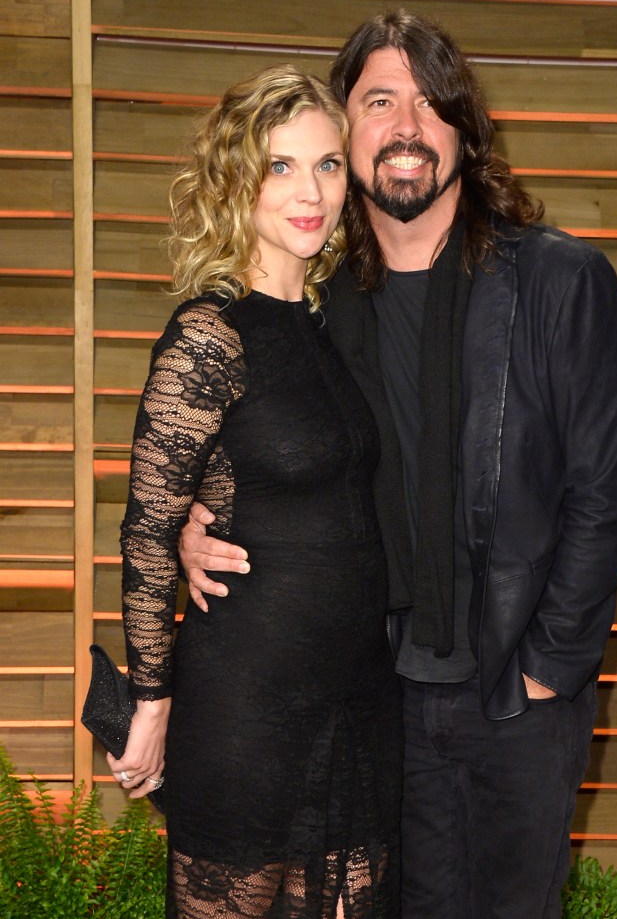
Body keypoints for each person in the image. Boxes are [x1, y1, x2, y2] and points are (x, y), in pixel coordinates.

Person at [179, 11, 617, 919]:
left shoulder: (559, 282)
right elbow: (276, 454)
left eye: (433, 105)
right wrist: (204, 518)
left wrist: (549, 666)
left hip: (518, 692)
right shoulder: (315, 301)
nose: (406, 125)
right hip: (372, 689)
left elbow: (605, 495)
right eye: (379, 100)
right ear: (341, 133)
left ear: (465, 133)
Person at [106, 64, 402, 919]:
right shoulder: (208, 334)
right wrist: (151, 704)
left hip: (352, 704)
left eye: (328, 164)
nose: (310, 191)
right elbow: (147, 530)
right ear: (237, 179)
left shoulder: (324, 324)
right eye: (280, 166)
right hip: (248, 710)